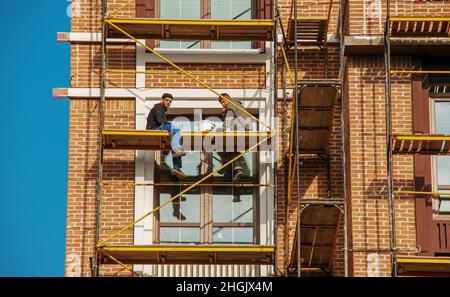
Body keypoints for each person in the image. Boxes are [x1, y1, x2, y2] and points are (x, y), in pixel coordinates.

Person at [147, 93, 187, 179]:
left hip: (159, 128)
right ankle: (177, 150)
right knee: (175, 129)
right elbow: (161, 121)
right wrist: (170, 124)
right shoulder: (158, 108)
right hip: (153, 129)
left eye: (170, 101)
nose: (168, 102)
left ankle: (177, 168)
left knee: (174, 145)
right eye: (167, 100)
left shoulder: (162, 109)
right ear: (162, 100)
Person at [217, 93, 253, 185]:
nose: (223, 104)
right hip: (244, 130)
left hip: (240, 129)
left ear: (227, 99)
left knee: (219, 140)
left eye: (223, 101)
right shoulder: (237, 105)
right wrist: (224, 115)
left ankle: (225, 162)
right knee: (233, 149)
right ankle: (238, 169)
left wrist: (226, 129)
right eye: (221, 103)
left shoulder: (231, 104)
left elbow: (229, 118)